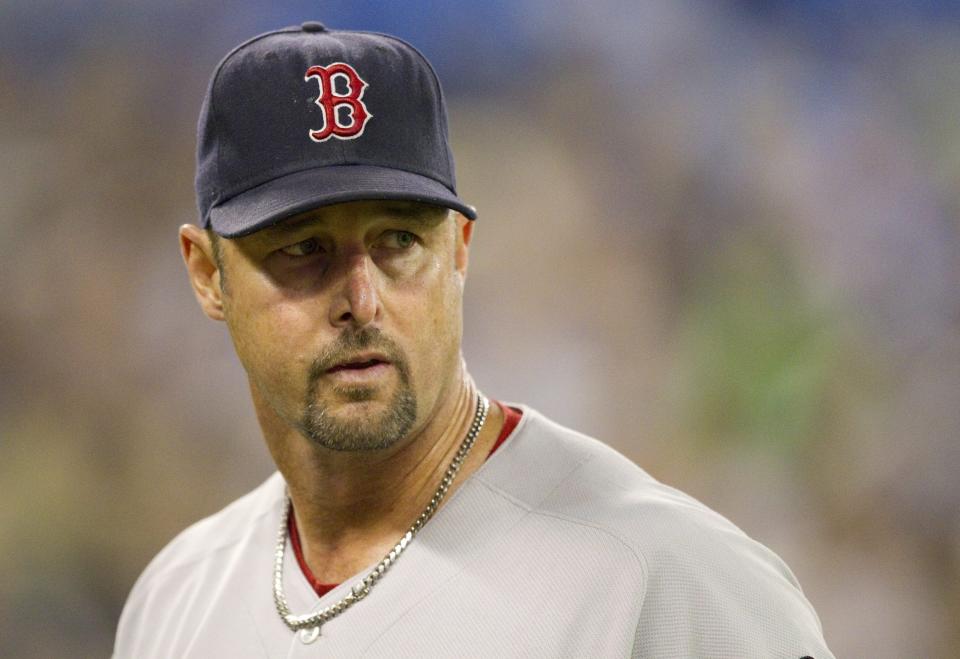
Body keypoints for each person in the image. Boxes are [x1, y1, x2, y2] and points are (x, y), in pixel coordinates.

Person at [113, 21, 835, 658]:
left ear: (459, 249)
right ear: (207, 274)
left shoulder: (669, 581)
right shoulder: (174, 601)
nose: (361, 301)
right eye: (303, 248)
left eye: (399, 240)